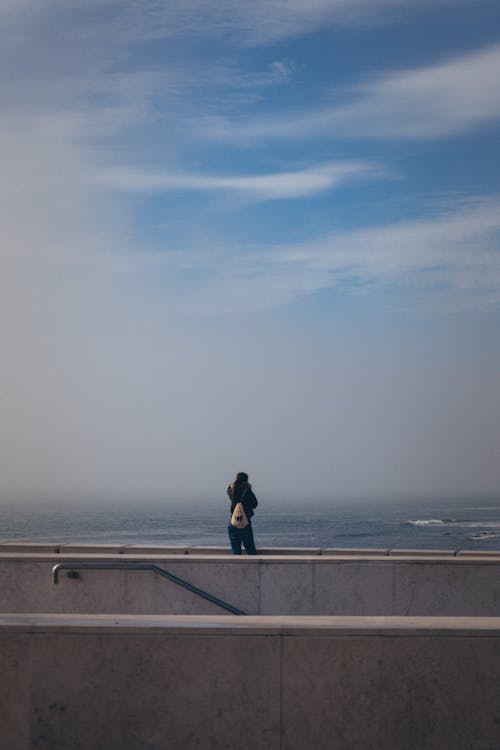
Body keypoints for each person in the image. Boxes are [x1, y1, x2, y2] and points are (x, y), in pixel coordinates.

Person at [227, 471, 258, 555]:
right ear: (246, 480)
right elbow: (254, 504)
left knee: (236, 551)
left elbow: (232, 494)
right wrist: (249, 489)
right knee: (250, 549)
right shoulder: (246, 490)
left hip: (233, 522)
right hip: (245, 522)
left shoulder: (231, 489)